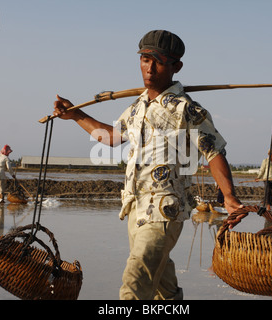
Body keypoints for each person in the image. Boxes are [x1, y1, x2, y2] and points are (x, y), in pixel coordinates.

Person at [53, 30, 243, 300]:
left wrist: (229, 196)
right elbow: (110, 137)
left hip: (165, 211)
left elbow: (213, 152)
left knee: (135, 281)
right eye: (144, 59)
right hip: (136, 207)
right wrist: (76, 115)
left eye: (159, 61)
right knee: (161, 285)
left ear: (176, 66)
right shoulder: (137, 107)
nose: (150, 68)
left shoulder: (186, 109)